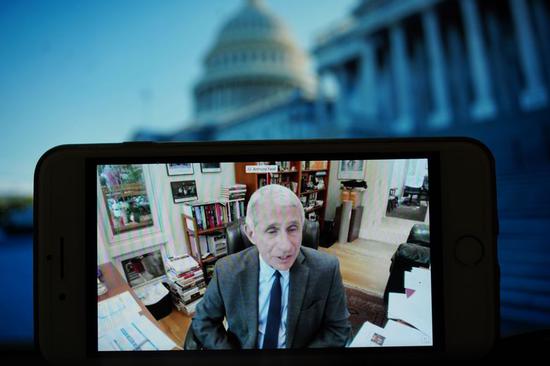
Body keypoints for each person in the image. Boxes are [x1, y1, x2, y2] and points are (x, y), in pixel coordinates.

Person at [191, 184, 351, 349]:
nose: (286, 246)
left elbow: (338, 329)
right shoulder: (226, 270)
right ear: (251, 234)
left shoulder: (327, 270)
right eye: (272, 230)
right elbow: (203, 322)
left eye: (293, 228)